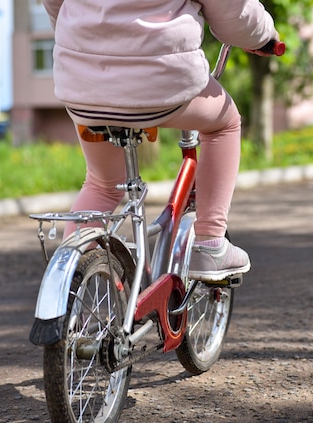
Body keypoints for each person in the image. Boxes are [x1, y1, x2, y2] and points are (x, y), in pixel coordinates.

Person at [42, 0, 278, 282]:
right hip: (162, 81)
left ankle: (71, 280)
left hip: (82, 83)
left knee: (103, 184)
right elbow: (233, 11)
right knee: (225, 123)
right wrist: (264, 35)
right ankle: (210, 243)